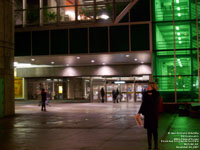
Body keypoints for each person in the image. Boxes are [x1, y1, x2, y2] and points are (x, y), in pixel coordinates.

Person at [135, 82, 160, 150]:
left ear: (153, 87)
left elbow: (154, 102)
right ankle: (149, 146)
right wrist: (139, 112)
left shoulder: (156, 94)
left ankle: (156, 146)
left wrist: (149, 95)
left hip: (154, 115)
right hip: (148, 115)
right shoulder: (145, 94)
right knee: (149, 131)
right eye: (148, 86)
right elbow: (143, 104)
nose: (148, 87)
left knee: (154, 131)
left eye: (149, 86)